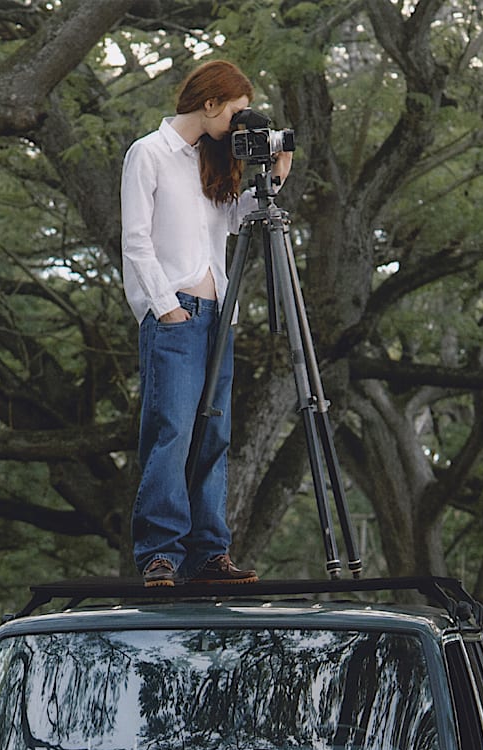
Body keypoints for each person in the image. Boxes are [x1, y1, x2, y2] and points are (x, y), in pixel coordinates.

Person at [120, 59, 292, 588]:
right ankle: (160, 553)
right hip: (175, 313)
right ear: (211, 103)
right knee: (172, 430)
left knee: (214, 433)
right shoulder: (148, 154)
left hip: (220, 312)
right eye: (237, 111)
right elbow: (136, 240)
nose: (241, 123)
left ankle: (208, 553)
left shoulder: (211, 162)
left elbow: (236, 221)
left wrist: (278, 167)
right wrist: (164, 306)